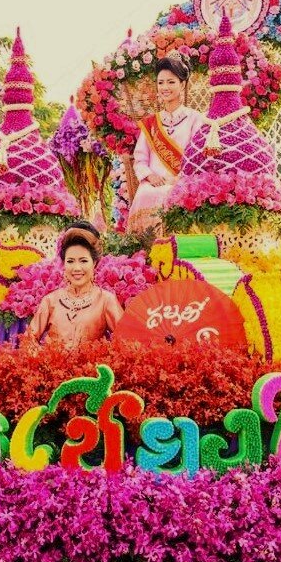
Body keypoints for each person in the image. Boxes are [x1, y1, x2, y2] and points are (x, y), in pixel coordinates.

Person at [127, 55, 201, 232]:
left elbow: (198, 157)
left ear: (182, 84)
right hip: (152, 183)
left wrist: (179, 178)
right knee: (146, 194)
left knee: (173, 195)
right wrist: (150, 176)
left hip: (183, 180)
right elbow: (140, 159)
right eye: (161, 83)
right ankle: (144, 248)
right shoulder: (151, 122)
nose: (165, 87)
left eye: (170, 82)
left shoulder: (195, 119)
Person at [29, 226, 123, 347]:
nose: (77, 268)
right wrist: (43, 359)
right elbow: (28, 340)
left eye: (83, 261)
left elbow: (126, 341)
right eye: (70, 261)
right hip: (52, 365)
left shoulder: (106, 300)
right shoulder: (50, 301)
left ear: (94, 263)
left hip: (91, 365)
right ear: (64, 264)